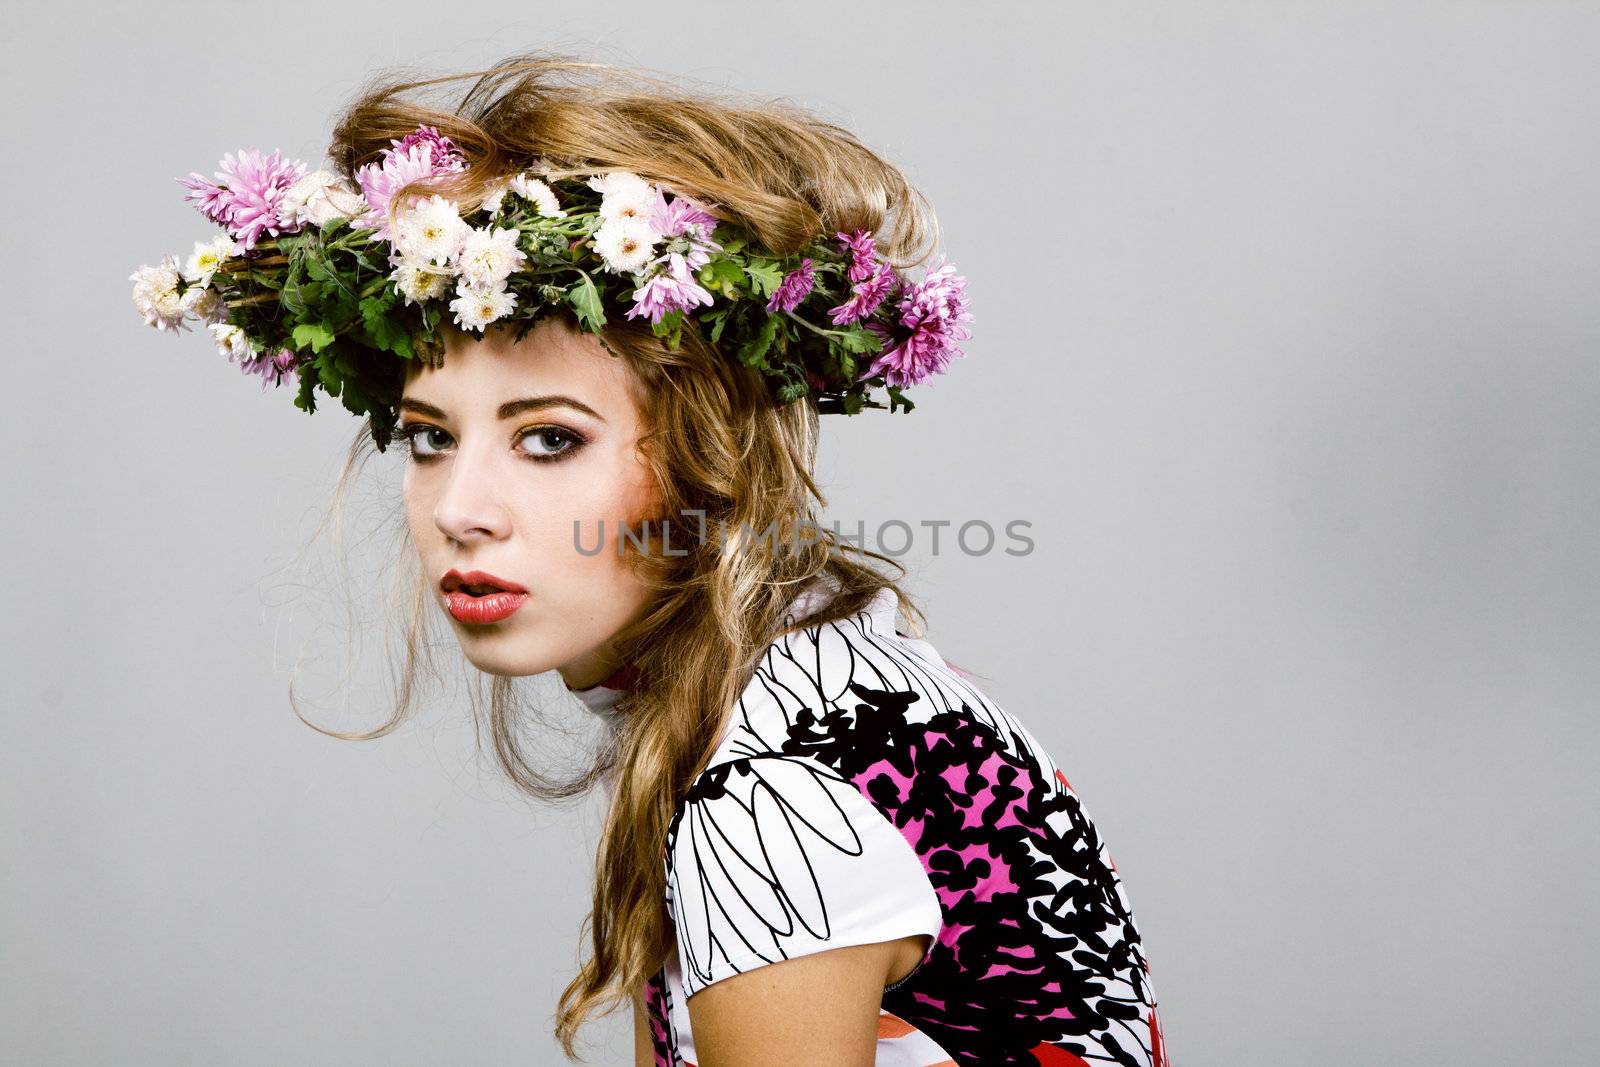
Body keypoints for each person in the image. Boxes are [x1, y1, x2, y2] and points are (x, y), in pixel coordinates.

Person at [131, 52, 1168, 1067]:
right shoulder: (822, 681)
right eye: (431, 436)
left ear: (708, 461)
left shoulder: (770, 797)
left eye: (549, 438)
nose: (459, 509)